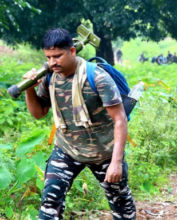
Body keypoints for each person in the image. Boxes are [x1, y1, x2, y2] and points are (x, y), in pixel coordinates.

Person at [22, 28, 136, 219]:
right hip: (67, 149)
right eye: (48, 57)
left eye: (57, 56)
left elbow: (120, 119)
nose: (52, 62)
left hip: (103, 152)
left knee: (121, 205)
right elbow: (39, 113)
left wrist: (116, 162)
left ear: (72, 51)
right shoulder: (50, 76)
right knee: (50, 203)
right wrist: (30, 90)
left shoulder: (98, 79)